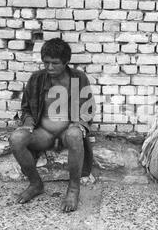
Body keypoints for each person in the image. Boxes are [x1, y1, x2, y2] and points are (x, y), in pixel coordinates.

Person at [10, 38, 95, 212]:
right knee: (16, 138)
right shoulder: (37, 79)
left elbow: (87, 109)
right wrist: (27, 124)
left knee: (74, 134)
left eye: (55, 63)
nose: (49, 67)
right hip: (43, 133)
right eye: (46, 62)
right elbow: (26, 108)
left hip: (67, 132)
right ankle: (35, 184)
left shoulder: (78, 78)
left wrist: (78, 125)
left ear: (66, 62)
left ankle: (73, 189)